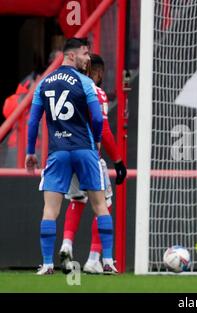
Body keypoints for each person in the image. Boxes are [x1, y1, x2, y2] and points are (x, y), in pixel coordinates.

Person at [25, 38, 114, 275]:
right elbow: (96, 118)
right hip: (85, 151)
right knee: (101, 205)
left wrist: (30, 152)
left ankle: (46, 264)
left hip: (58, 152)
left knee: (50, 210)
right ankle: (107, 261)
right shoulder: (85, 83)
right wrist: (95, 140)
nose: (88, 59)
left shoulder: (43, 84)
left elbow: (33, 120)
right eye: (85, 54)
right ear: (72, 56)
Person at [58, 54, 127, 275]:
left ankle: (66, 244)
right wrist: (117, 159)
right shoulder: (96, 92)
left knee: (77, 201)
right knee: (103, 205)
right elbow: (104, 130)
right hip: (90, 156)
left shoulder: (65, 91)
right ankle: (96, 258)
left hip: (66, 154)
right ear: (96, 72)